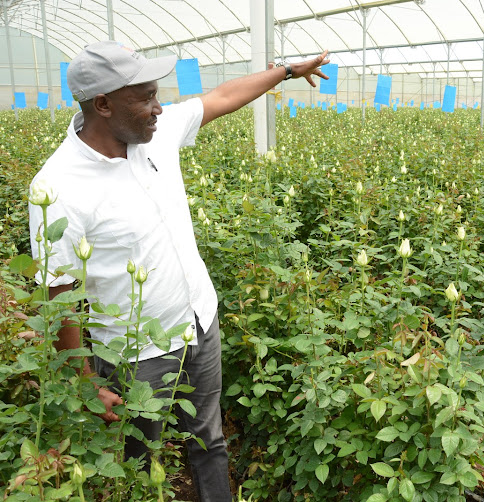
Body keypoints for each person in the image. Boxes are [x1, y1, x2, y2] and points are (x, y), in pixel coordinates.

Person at [28, 40, 329, 502]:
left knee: (210, 441)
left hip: (198, 322)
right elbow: (57, 291)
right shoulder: (58, 186)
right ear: (103, 104)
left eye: (157, 93)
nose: (158, 106)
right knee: (139, 456)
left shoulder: (156, 134)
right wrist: (84, 379)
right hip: (136, 354)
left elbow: (222, 98)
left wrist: (286, 71)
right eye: (145, 96)